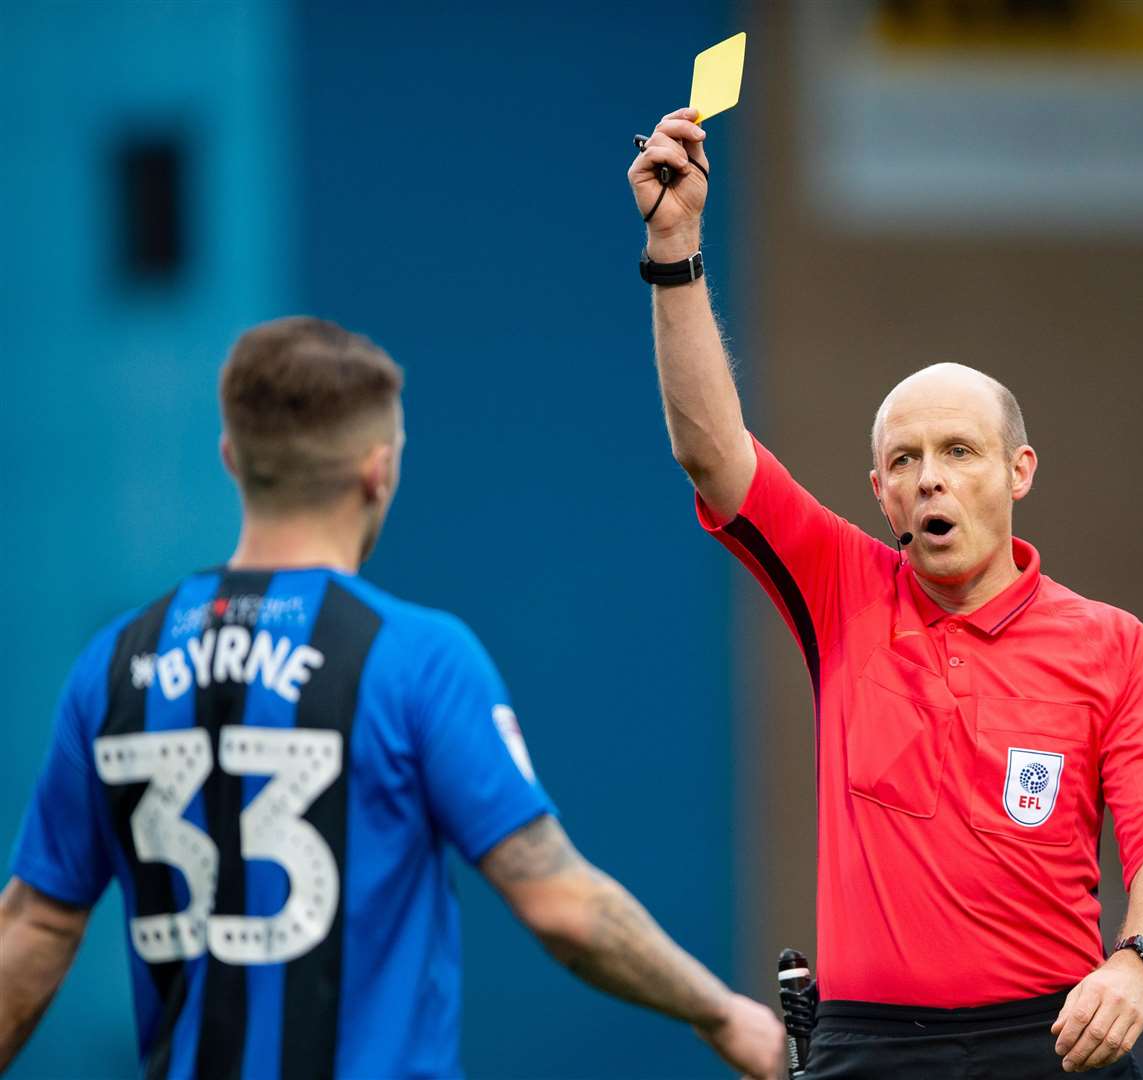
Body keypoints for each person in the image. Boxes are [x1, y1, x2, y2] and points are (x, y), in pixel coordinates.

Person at [0, 317, 786, 1080]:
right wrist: (719, 1011)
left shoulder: (114, 663)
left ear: (232, 457)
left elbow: (36, 923)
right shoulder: (415, 659)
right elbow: (563, 907)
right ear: (378, 469)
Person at [628, 109, 1143, 1078]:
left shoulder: (1112, 643)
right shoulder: (843, 589)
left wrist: (1137, 964)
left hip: (1053, 1040)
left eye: (959, 452)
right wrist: (674, 245)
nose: (930, 477)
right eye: (905, 459)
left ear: (1019, 470)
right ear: (880, 491)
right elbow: (710, 451)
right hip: (869, 1049)